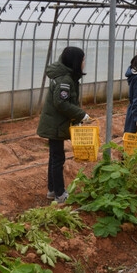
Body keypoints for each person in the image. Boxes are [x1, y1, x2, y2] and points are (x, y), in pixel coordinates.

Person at [37, 46, 91, 204]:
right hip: (55, 125)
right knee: (57, 158)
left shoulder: (66, 77)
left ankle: (53, 190)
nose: (84, 63)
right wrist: (81, 114)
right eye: (82, 60)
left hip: (56, 123)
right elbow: (61, 103)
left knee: (54, 157)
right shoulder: (65, 80)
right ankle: (60, 194)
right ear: (75, 61)